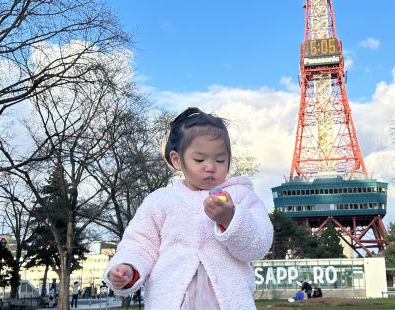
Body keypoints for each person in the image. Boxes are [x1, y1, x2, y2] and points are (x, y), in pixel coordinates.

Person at [103, 107, 274, 310]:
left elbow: (259, 244)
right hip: (172, 300)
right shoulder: (161, 200)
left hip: (226, 301)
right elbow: (140, 243)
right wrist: (128, 267)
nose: (210, 166)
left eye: (220, 160)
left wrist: (231, 219)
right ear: (177, 160)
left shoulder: (240, 196)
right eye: (199, 160)